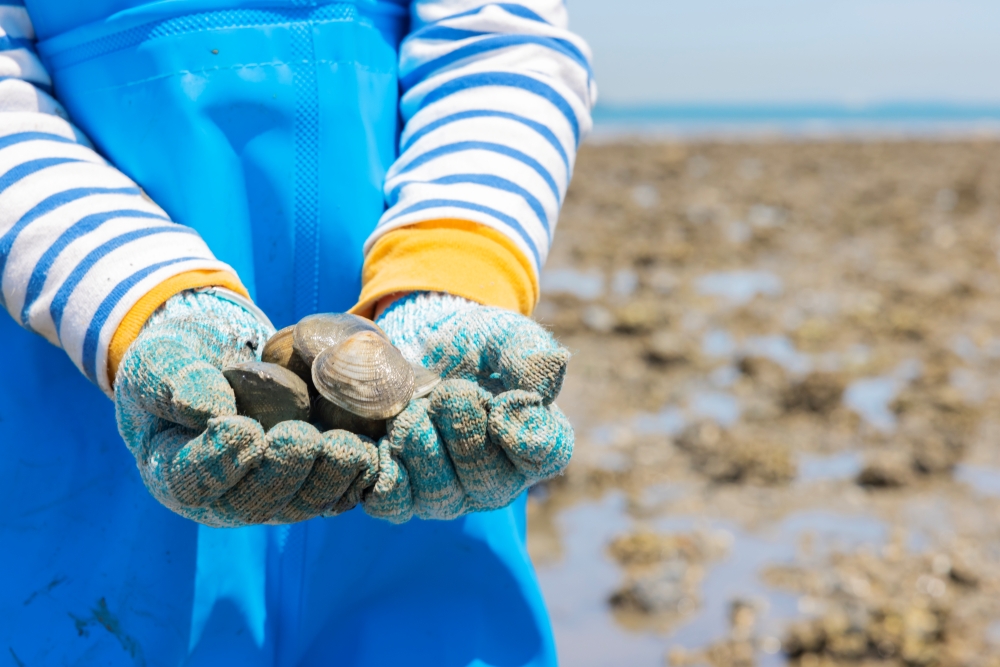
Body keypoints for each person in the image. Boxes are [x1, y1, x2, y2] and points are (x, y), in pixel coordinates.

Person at [0, 0, 594, 663]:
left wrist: (449, 270)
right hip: (92, 381)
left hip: (412, 486)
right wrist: (142, 299)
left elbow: (499, 37)